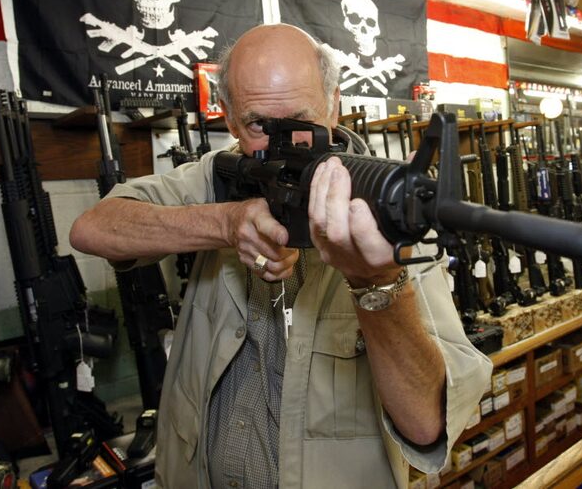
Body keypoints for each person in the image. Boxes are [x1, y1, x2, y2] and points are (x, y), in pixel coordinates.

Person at [70, 24, 492, 488]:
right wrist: (223, 222)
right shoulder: (216, 179)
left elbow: (427, 425)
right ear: (229, 119)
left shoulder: (387, 212)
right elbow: (93, 228)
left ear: (333, 105)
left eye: (300, 119)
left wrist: (378, 284)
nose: (285, 144)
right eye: (258, 125)